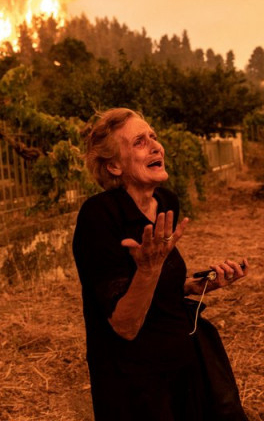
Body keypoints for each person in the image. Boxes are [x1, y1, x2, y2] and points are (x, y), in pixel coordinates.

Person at [73, 107, 250, 420]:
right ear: (114, 165)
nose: (157, 146)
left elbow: (156, 285)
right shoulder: (98, 217)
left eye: (153, 137)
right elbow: (124, 325)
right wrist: (149, 267)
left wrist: (198, 285)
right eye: (139, 142)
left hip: (183, 364)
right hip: (134, 382)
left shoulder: (165, 202)